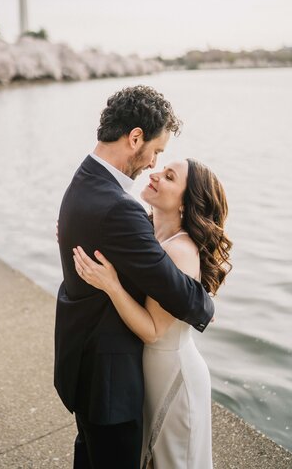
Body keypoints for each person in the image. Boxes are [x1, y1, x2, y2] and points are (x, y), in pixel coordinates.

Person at [54, 85, 215, 469]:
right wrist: (207, 303)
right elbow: (183, 296)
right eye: (156, 151)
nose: (153, 164)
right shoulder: (117, 207)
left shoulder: (83, 182)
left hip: (87, 368)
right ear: (135, 138)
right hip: (110, 383)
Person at [74, 158, 232, 468]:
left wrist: (112, 285)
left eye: (169, 177)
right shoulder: (150, 237)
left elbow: (153, 331)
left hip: (172, 373)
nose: (154, 174)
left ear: (186, 204)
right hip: (148, 370)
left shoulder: (179, 251)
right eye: (161, 169)